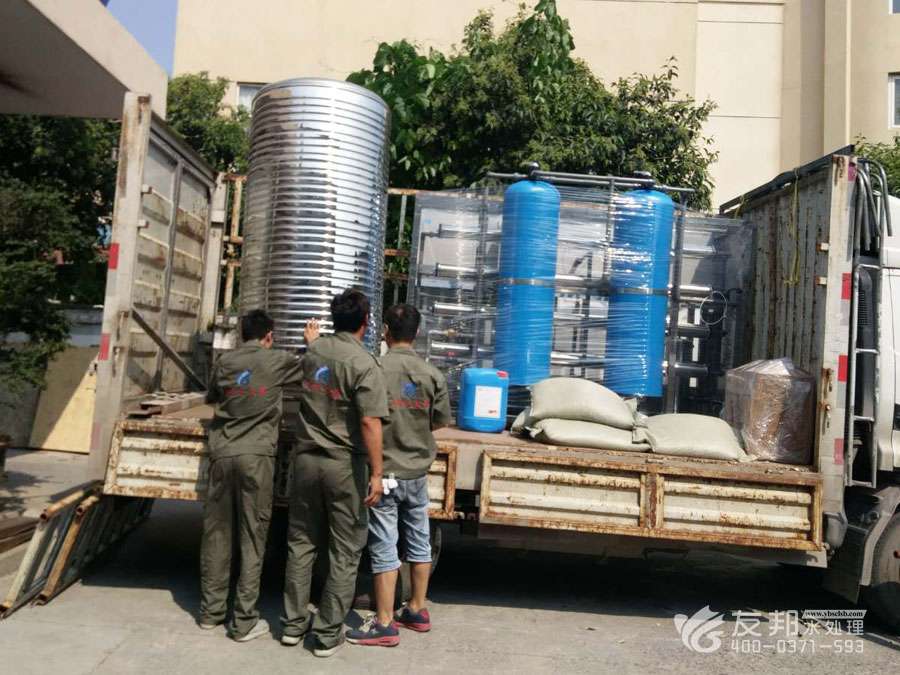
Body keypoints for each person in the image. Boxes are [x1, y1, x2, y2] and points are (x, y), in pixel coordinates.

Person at [281, 289, 389, 657]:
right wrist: (377, 473)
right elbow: (371, 421)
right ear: (366, 322)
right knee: (345, 550)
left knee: (301, 543)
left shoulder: (314, 352)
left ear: (334, 318)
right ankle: (327, 635)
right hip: (342, 465)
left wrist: (312, 340)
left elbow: (317, 355)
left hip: (306, 460)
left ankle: (292, 625)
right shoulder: (365, 364)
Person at [199, 309, 316, 642]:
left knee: (217, 534)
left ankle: (211, 612)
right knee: (253, 536)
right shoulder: (276, 360)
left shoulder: (225, 362)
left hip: (222, 454)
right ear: (269, 337)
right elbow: (309, 369)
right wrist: (311, 344)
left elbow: (212, 397)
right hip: (256, 458)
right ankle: (244, 620)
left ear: (241, 335)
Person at [346, 303, 451, 648]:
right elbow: (439, 420)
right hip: (417, 472)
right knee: (419, 540)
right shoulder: (431, 374)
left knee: (384, 544)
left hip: (386, 472)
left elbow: (364, 417)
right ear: (417, 333)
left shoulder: (375, 369)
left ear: (386, 331)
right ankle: (417, 609)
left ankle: (384, 622)